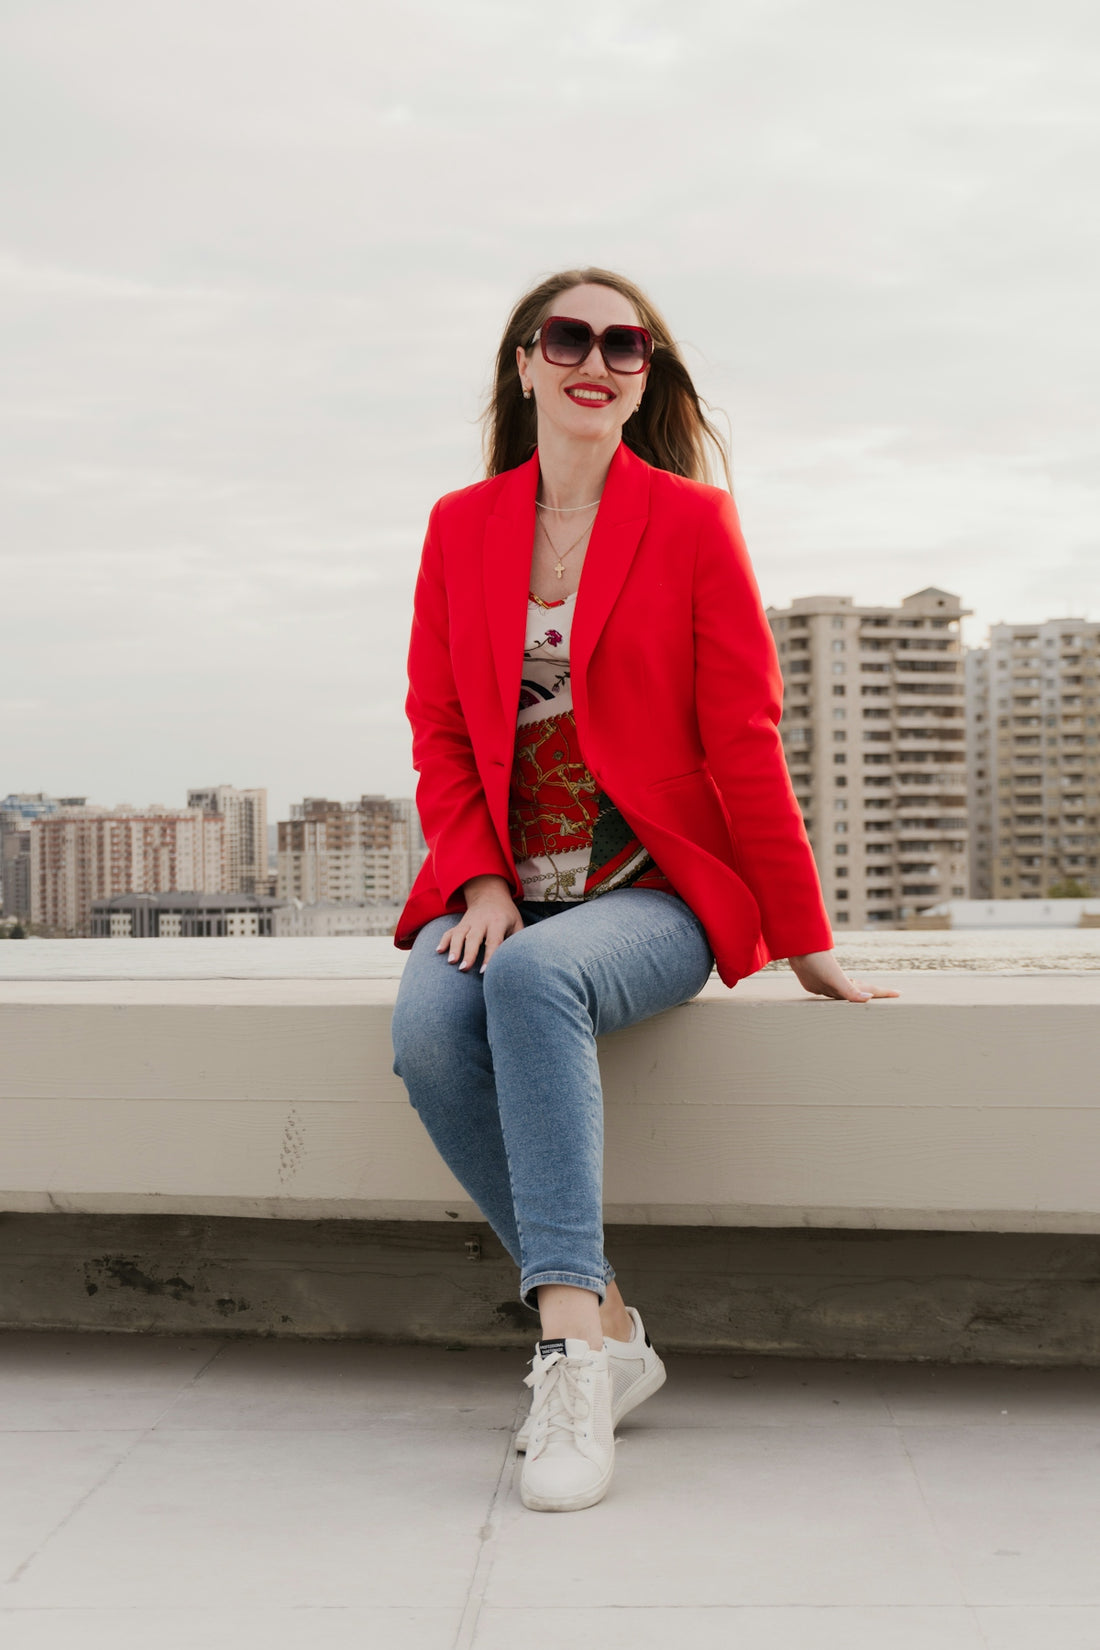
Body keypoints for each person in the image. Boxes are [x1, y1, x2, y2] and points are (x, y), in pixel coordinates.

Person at [390, 266, 898, 1514]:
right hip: (500, 890)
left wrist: (802, 940)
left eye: (625, 345)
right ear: (524, 362)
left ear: (643, 376)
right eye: (567, 337)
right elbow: (439, 728)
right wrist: (479, 880)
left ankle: (569, 1358)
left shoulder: (689, 523)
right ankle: (611, 1322)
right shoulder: (461, 525)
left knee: (532, 977)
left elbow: (744, 740)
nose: (595, 360)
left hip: (649, 893)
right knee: (429, 1037)